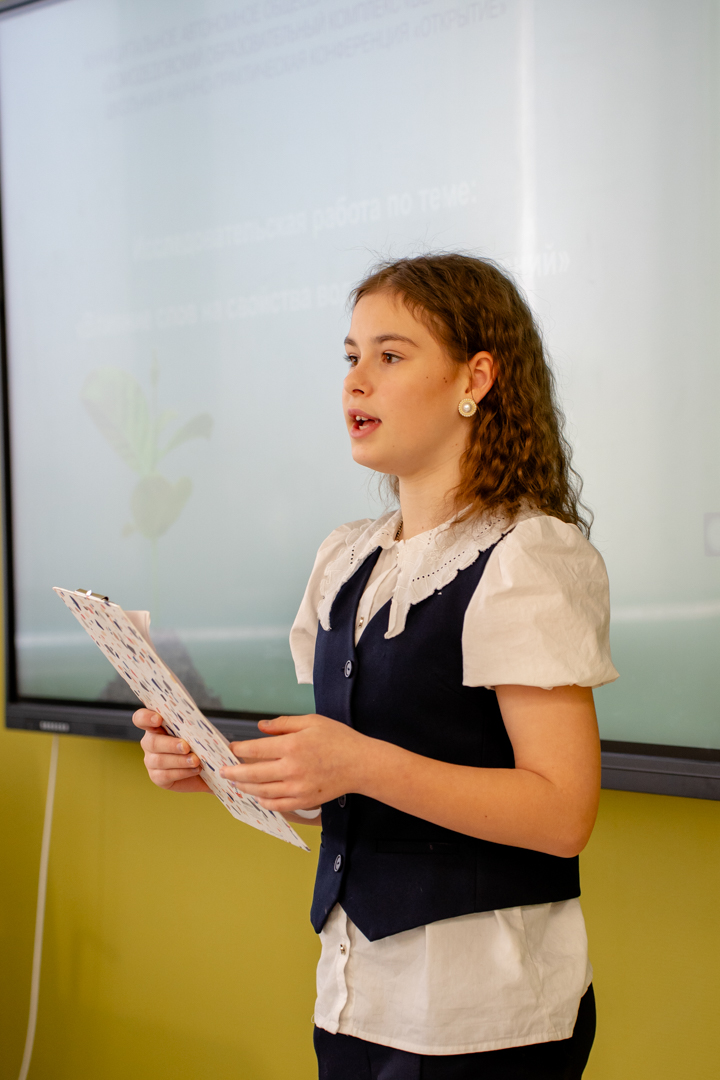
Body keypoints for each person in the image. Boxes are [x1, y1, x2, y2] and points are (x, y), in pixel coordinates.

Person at [133, 253, 618, 1079]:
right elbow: (354, 791)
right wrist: (221, 770)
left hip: (484, 1013)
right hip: (355, 993)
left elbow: (563, 812)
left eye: (390, 356)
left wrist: (358, 762)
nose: (356, 381)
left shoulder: (527, 555)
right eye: (352, 356)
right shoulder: (348, 560)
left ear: (476, 378)